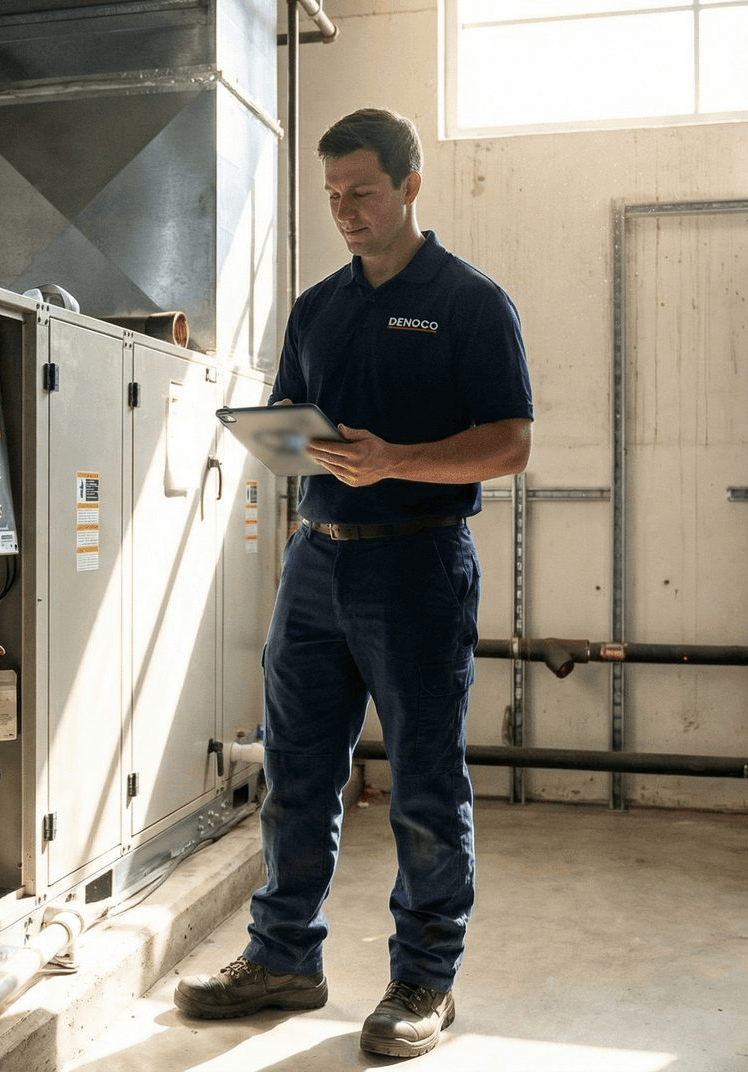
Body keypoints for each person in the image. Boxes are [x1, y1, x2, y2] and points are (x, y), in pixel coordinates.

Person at [173, 107, 533, 1059]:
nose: (346, 211)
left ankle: (425, 977)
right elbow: (305, 418)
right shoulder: (319, 306)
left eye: (362, 192)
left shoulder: (469, 302)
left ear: (411, 186)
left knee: (422, 780)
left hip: (417, 561)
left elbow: (509, 442)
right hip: (317, 559)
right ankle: (285, 956)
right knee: (296, 772)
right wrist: (285, 442)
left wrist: (397, 460)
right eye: (332, 196)